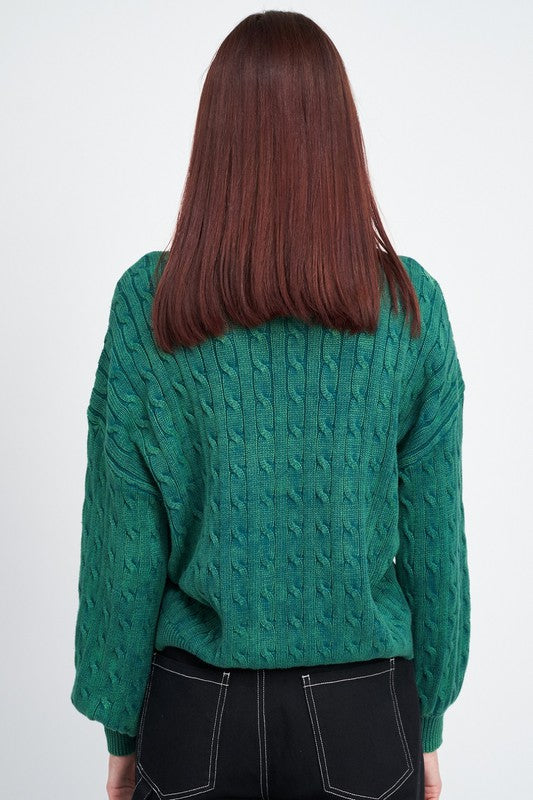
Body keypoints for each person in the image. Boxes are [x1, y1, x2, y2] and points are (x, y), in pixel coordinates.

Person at [70, 10, 470, 800]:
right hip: (364, 716)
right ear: (338, 138)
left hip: (192, 714)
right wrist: (423, 726)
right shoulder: (407, 307)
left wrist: (122, 737)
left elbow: (122, 547)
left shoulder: (151, 303)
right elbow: (435, 548)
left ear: (215, 142)